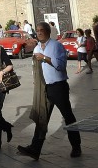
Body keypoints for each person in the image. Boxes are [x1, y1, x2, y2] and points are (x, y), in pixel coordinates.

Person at [18, 22, 81, 160]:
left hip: (58, 87)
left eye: (42, 30)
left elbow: (61, 65)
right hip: (44, 88)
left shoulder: (56, 45)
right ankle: (35, 149)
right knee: (41, 119)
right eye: (38, 31)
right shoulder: (36, 49)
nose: (39, 32)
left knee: (68, 116)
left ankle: (76, 146)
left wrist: (45, 58)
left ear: (47, 32)